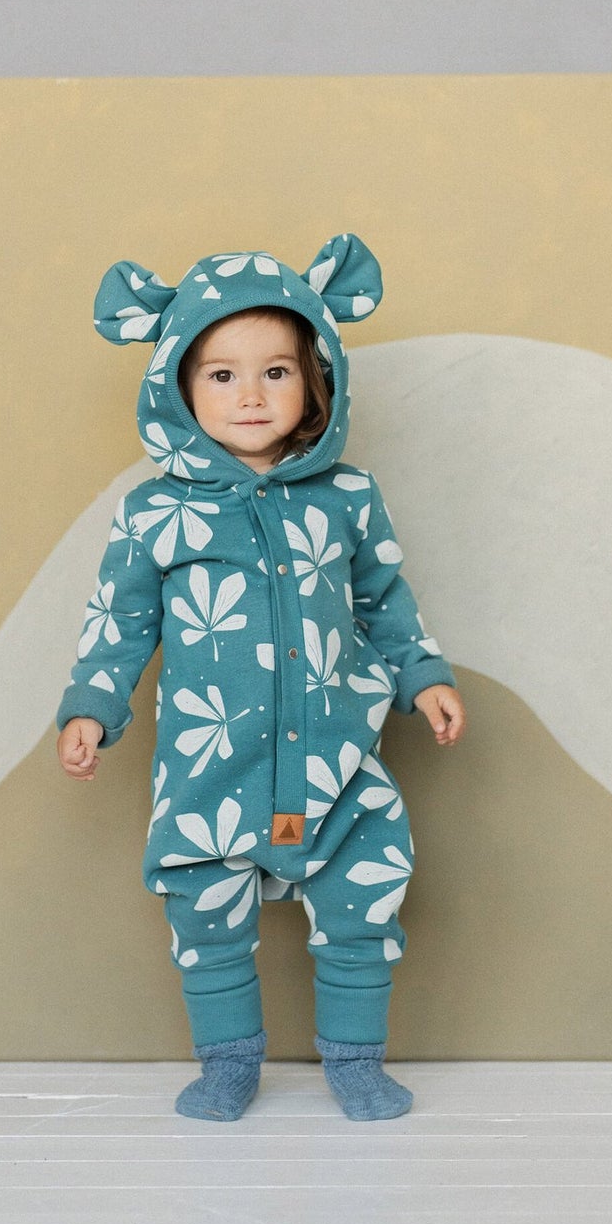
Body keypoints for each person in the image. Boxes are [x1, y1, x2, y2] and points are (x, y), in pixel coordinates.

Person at [55, 234, 466, 1122]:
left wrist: (421, 674)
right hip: (211, 763)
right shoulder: (155, 512)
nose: (250, 395)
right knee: (204, 917)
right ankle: (229, 1064)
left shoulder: (347, 497)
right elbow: (119, 621)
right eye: (221, 375)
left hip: (337, 757)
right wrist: (93, 705)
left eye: (277, 372)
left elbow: (383, 599)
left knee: (364, 903)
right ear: (176, 385)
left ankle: (355, 1062)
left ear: (317, 380)